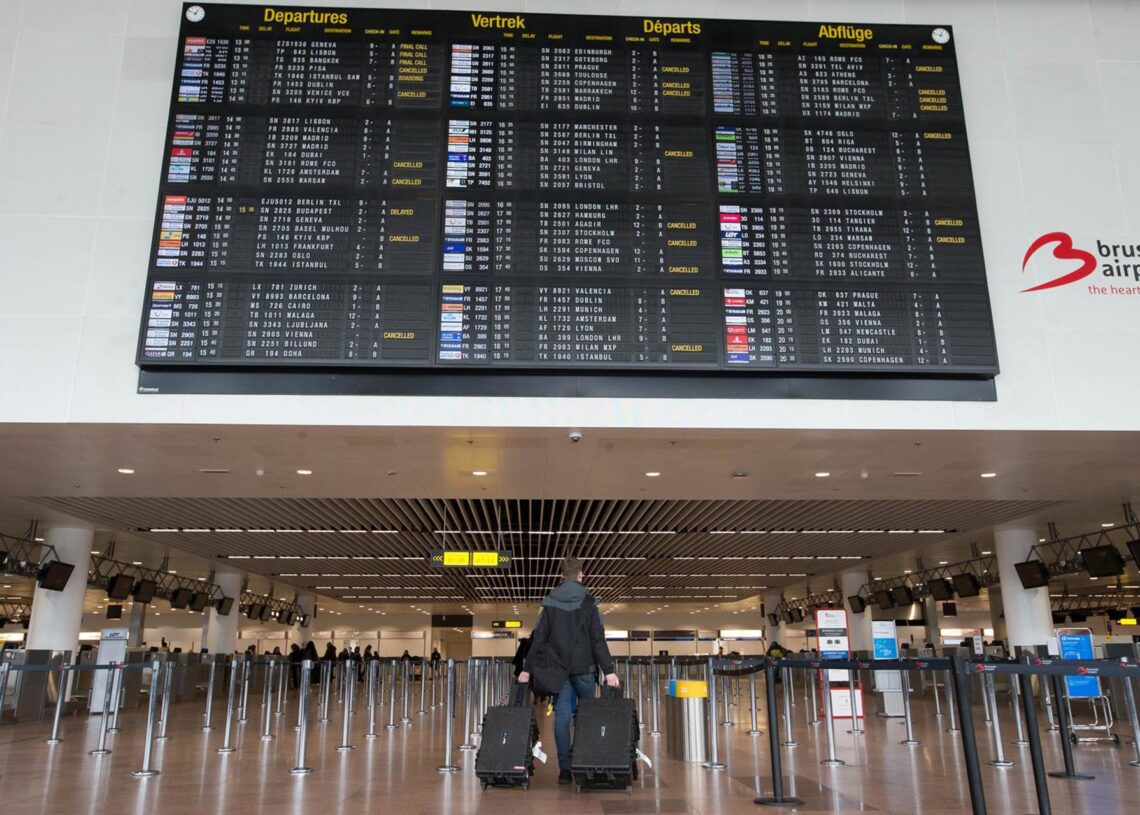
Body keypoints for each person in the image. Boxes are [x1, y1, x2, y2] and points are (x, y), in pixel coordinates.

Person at [517, 556, 617, 785]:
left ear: (561, 576)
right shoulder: (591, 602)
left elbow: (539, 638)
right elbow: (597, 639)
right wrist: (608, 670)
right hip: (585, 669)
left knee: (562, 717)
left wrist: (527, 669)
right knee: (587, 715)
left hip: (559, 670)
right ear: (581, 575)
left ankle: (564, 769)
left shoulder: (549, 602)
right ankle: (583, 762)